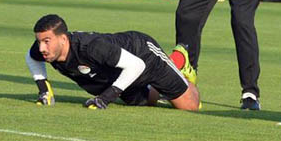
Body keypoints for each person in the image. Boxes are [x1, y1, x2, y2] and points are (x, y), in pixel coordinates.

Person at [26, 14, 201, 111]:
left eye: (46, 41)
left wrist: (105, 98)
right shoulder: (43, 49)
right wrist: (44, 90)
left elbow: (137, 65)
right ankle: (163, 78)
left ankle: (178, 63)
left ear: (63, 39)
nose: (41, 48)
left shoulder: (91, 47)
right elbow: (31, 57)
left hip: (143, 55)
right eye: (39, 41)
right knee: (143, 101)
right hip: (117, 71)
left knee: (190, 106)